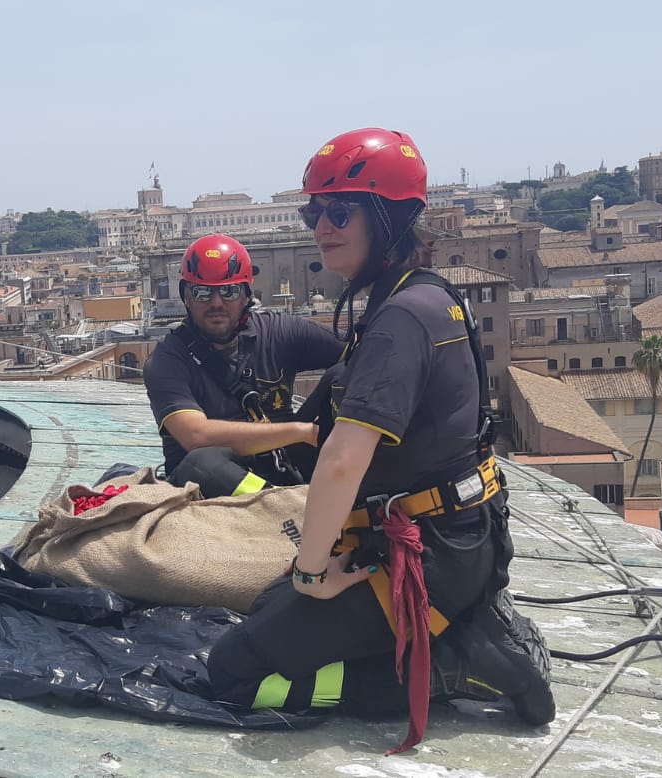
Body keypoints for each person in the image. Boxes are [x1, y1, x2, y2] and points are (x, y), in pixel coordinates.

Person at [206, 129, 554, 754]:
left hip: (428, 557)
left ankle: (455, 665)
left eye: (340, 212)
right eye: (315, 213)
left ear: (387, 217)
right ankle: (456, 631)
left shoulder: (399, 318)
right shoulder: (424, 296)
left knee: (232, 672)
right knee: (267, 609)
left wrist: (312, 572)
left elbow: (343, 460)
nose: (322, 227)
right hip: (450, 537)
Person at [142, 233, 344, 498]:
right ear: (186, 297)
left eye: (229, 291)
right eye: (202, 292)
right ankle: (279, 503)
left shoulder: (278, 332)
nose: (216, 303)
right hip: (219, 481)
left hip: (285, 463)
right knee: (201, 463)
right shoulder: (167, 360)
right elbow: (195, 436)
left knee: (344, 373)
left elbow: (363, 351)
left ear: (246, 295)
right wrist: (302, 431)